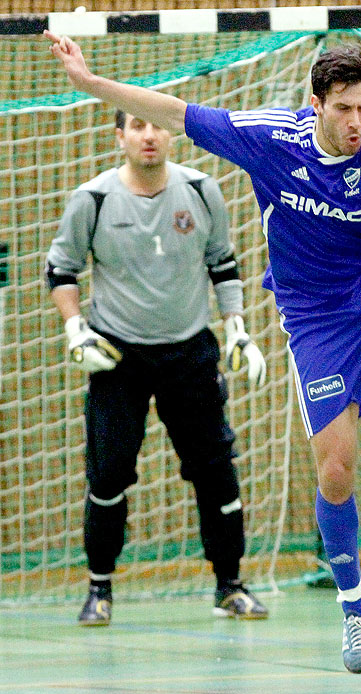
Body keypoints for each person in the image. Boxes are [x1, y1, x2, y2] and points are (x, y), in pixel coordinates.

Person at [44, 33, 361, 672]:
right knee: (337, 471)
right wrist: (92, 83)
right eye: (344, 108)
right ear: (316, 103)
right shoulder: (270, 138)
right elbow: (175, 110)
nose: (357, 122)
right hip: (317, 320)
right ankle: (355, 613)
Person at [45, 108, 270, 626]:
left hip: (190, 352)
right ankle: (99, 588)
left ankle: (229, 585)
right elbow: (61, 269)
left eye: (158, 125)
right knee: (109, 474)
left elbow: (223, 264)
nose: (149, 135)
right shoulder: (93, 199)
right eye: (138, 127)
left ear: (171, 134)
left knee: (215, 470)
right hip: (119, 356)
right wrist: (75, 327)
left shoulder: (200, 190)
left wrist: (236, 328)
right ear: (119, 135)